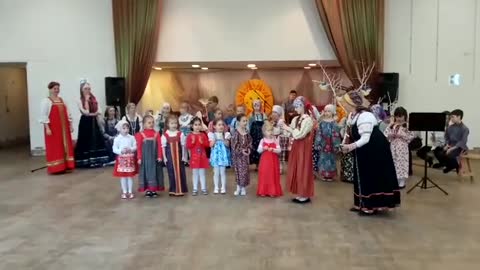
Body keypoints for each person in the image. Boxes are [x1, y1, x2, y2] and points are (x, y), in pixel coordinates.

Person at [340, 91, 400, 216]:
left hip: (375, 149)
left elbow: (365, 138)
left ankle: (370, 206)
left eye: (344, 102)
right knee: (361, 175)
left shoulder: (365, 116)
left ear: (351, 103)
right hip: (364, 149)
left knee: (371, 176)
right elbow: (350, 133)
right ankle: (361, 203)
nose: (342, 105)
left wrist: (350, 146)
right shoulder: (353, 115)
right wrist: (345, 142)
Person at [281, 96, 315, 204]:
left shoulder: (308, 120)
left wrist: (287, 128)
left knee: (303, 168)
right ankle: (299, 192)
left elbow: (299, 134)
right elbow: (291, 133)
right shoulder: (296, 119)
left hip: (304, 147)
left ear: (303, 106)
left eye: (297, 107)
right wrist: (283, 127)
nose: (295, 109)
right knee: (296, 167)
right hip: (296, 147)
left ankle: (304, 193)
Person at [39, 81, 75, 174]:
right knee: (55, 147)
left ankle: (66, 165)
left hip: (64, 128)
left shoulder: (62, 100)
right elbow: (44, 115)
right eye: (54, 88)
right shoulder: (46, 101)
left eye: (58, 88)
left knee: (65, 146)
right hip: (53, 128)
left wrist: (70, 125)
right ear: (50, 89)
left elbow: (68, 113)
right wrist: (47, 128)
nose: (56, 90)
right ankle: (56, 168)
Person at [74, 80, 109, 168]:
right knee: (86, 140)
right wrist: (86, 101)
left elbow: (99, 111)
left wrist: (93, 114)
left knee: (96, 139)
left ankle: (96, 160)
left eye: (89, 88)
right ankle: (86, 161)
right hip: (85, 122)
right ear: (82, 90)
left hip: (94, 122)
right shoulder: (79, 100)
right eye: (85, 88)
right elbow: (85, 112)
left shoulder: (94, 99)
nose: (87, 90)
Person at [384, 107, 414, 189]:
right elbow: (386, 134)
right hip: (393, 146)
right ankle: (395, 179)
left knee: (402, 163)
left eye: (401, 116)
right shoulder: (392, 125)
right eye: (397, 116)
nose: (399, 118)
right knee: (394, 162)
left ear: (405, 116)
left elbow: (411, 136)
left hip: (402, 147)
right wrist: (390, 135)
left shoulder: (407, 125)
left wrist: (402, 135)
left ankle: (402, 181)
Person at [136, 115, 164, 198]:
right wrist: (139, 158)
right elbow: (139, 148)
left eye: (152, 122)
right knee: (146, 173)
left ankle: (154, 190)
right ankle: (148, 190)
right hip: (145, 159)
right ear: (144, 124)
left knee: (155, 172)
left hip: (154, 158)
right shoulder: (140, 134)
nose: (151, 124)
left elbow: (159, 146)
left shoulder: (157, 134)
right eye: (149, 123)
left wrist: (159, 156)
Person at [435, 109, 469, 173]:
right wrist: (447, 145)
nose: (451, 119)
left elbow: (463, 142)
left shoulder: (465, 129)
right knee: (438, 152)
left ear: (459, 117)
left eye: (453, 117)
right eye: (451, 117)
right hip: (451, 145)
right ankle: (450, 165)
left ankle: (454, 165)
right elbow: (447, 137)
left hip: (460, 147)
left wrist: (451, 148)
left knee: (449, 154)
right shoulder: (450, 127)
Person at [161, 115, 188, 196]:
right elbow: (163, 147)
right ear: (168, 124)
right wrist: (165, 158)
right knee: (171, 173)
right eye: (172, 123)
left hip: (179, 157)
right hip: (170, 157)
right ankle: (173, 189)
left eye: (175, 123)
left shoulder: (180, 134)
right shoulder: (165, 135)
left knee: (180, 172)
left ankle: (180, 189)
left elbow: (183, 146)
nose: (174, 125)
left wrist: (184, 156)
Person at [314, 104, 341, 182]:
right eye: (325, 111)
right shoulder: (322, 122)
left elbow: (335, 134)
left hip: (331, 143)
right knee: (323, 158)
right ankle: (323, 174)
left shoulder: (334, 123)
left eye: (329, 111)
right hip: (323, 143)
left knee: (331, 158)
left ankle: (330, 175)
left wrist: (336, 145)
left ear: (333, 112)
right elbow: (319, 133)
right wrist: (318, 143)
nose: (327, 113)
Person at [112, 120, 137, 199]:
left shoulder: (131, 137)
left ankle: (130, 191)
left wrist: (131, 149)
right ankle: (124, 191)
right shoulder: (117, 139)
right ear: (119, 129)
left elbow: (135, 146)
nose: (126, 130)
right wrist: (120, 151)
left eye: (127, 128)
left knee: (130, 176)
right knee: (123, 177)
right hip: (121, 160)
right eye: (124, 128)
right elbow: (114, 149)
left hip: (130, 159)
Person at [257, 121, 283, 197]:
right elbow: (258, 150)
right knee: (265, 175)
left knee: (272, 175)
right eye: (268, 130)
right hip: (265, 161)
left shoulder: (275, 140)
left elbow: (279, 150)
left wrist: (273, 150)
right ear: (264, 132)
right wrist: (263, 148)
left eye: (271, 130)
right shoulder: (262, 140)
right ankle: (263, 191)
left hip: (273, 161)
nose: (270, 132)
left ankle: (272, 191)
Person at [186, 117, 210, 195]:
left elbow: (207, 145)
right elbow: (188, 146)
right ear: (192, 126)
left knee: (202, 173)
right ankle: (195, 188)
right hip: (194, 158)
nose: (197, 126)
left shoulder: (203, 135)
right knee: (195, 173)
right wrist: (192, 142)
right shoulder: (190, 136)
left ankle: (203, 188)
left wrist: (202, 142)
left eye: (199, 125)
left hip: (202, 158)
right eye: (195, 125)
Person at [231, 114, 252, 196]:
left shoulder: (246, 132)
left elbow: (250, 142)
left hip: (245, 156)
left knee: (245, 171)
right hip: (238, 157)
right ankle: (238, 187)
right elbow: (234, 145)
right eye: (243, 121)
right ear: (238, 122)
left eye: (246, 121)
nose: (245, 122)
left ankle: (243, 188)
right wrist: (241, 150)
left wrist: (249, 149)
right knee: (239, 172)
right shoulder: (236, 133)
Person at [208, 119, 231, 194]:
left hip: (223, 156)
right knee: (216, 172)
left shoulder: (226, 134)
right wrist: (215, 139)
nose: (221, 126)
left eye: (222, 125)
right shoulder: (212, 135)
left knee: (223, 172)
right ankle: (216, 187)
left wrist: (223, 139)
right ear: (214, 126)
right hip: (215, 156)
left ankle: (223, 187)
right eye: (219, 125)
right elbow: (210, 145)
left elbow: (227, 145)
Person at [249, 100, 267, 169]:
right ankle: (257, 164)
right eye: (255, 105)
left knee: (261, 147)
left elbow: (265, 124)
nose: (256, 107)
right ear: (253, 106)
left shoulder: (263, 114)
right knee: (255, 148)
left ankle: (261, 163)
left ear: (260, 106)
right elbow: (249, 125)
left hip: (261, 134)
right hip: (254, 134)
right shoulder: (251, 115)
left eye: (258, 105)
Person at [271, 105, 289, 174]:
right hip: (275, 139)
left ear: (278, 114)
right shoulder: (274, 121)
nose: (273, 114)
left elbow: (280, 131)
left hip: (280, 140)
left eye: (275, 112)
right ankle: (277, 168)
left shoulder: (281, 121)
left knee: (279, 156)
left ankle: (280, 169)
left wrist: (274, 129)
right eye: (272, 112)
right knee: (276, 155)